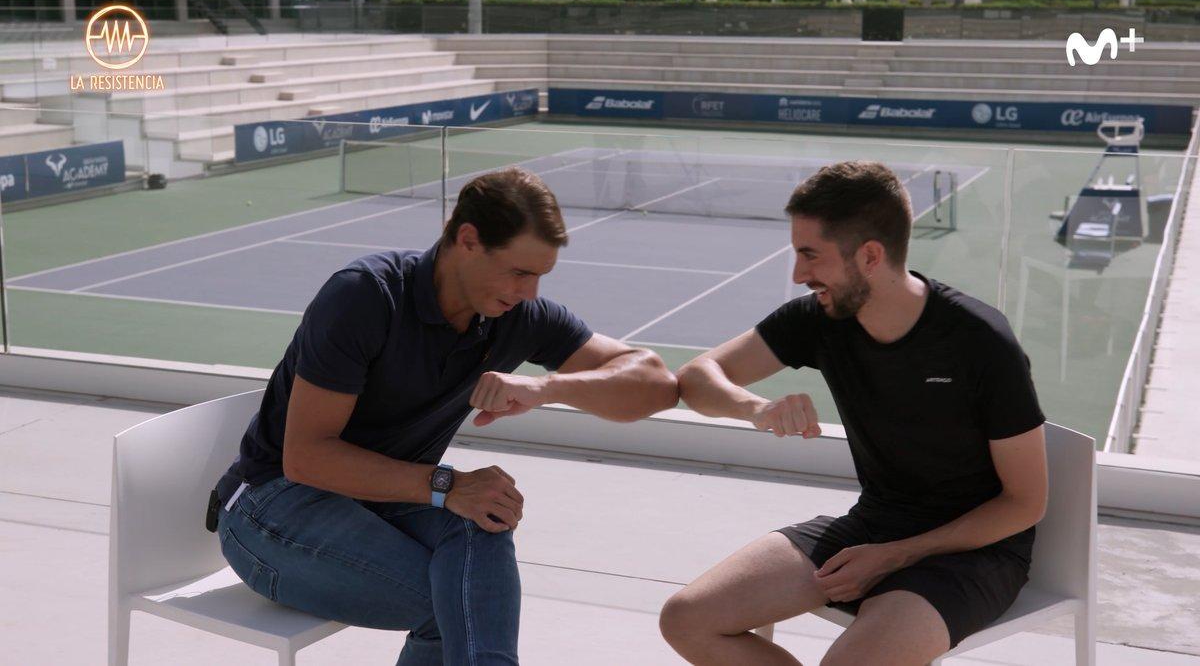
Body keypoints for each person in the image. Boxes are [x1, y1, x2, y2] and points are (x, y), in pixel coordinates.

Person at [211, 167, 678, 665]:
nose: (531, 292)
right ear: (468, 240)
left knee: (488, 516)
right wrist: (448, 486)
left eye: (540, 276)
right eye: (520, 272)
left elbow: (655, 384)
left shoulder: (515, 317)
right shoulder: (366, 296)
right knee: (457, 603)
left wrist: (546, 388)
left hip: (382, 500)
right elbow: (307, 459)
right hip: (271, 509)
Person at [658, 161, 1048, 666]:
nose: (798, 275)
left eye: (810, 255)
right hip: (872, 526)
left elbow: (1025, 503)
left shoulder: (979, 341)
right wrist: (756, 408)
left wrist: (898, 553)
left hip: (975, 553)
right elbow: (696, 377)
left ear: (868, 256)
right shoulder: (820, 320)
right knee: (687, 619)